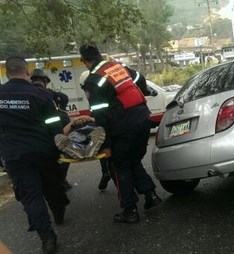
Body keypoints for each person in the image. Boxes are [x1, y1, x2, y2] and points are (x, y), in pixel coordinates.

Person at [79, 43, 161, 223]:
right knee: (132, 161)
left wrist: (105, 145)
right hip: (143, 119)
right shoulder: (117, 67)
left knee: (119, 166)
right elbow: (139, 78)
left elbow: (100, 117)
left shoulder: (93, 81)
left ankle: (130, 210)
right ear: (99, 55)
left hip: (124, 127)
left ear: (84, 61)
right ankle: (151, 195)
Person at [0, 57, 70, 253]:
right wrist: (59, 148)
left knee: (31, 197)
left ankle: (47, 238)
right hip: (43, 152)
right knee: (52, 186)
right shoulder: (40, 94)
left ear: (6, 73)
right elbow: (54, 125)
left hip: (14, 156)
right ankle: (58, 209)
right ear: (27, 72)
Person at [30, 68, 73, 191]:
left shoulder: (31, 95)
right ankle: (58, 181)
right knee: (63, 157)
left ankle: (57, 181)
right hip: (53, 133)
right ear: (46, 81)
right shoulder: (53, 96)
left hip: (40, 134)